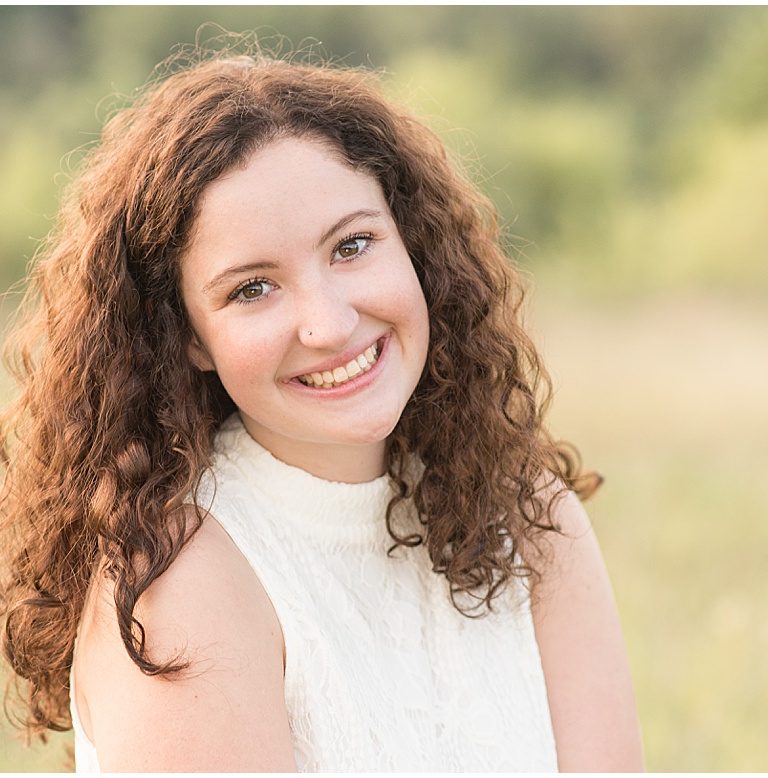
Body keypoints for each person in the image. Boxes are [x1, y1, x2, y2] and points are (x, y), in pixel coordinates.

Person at [0, 49, 644, 772]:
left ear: (415, 248)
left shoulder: (531, 518)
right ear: (186, 337)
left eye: (353, 245)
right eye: (252, 289)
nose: (330, 325)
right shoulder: (182, 582)